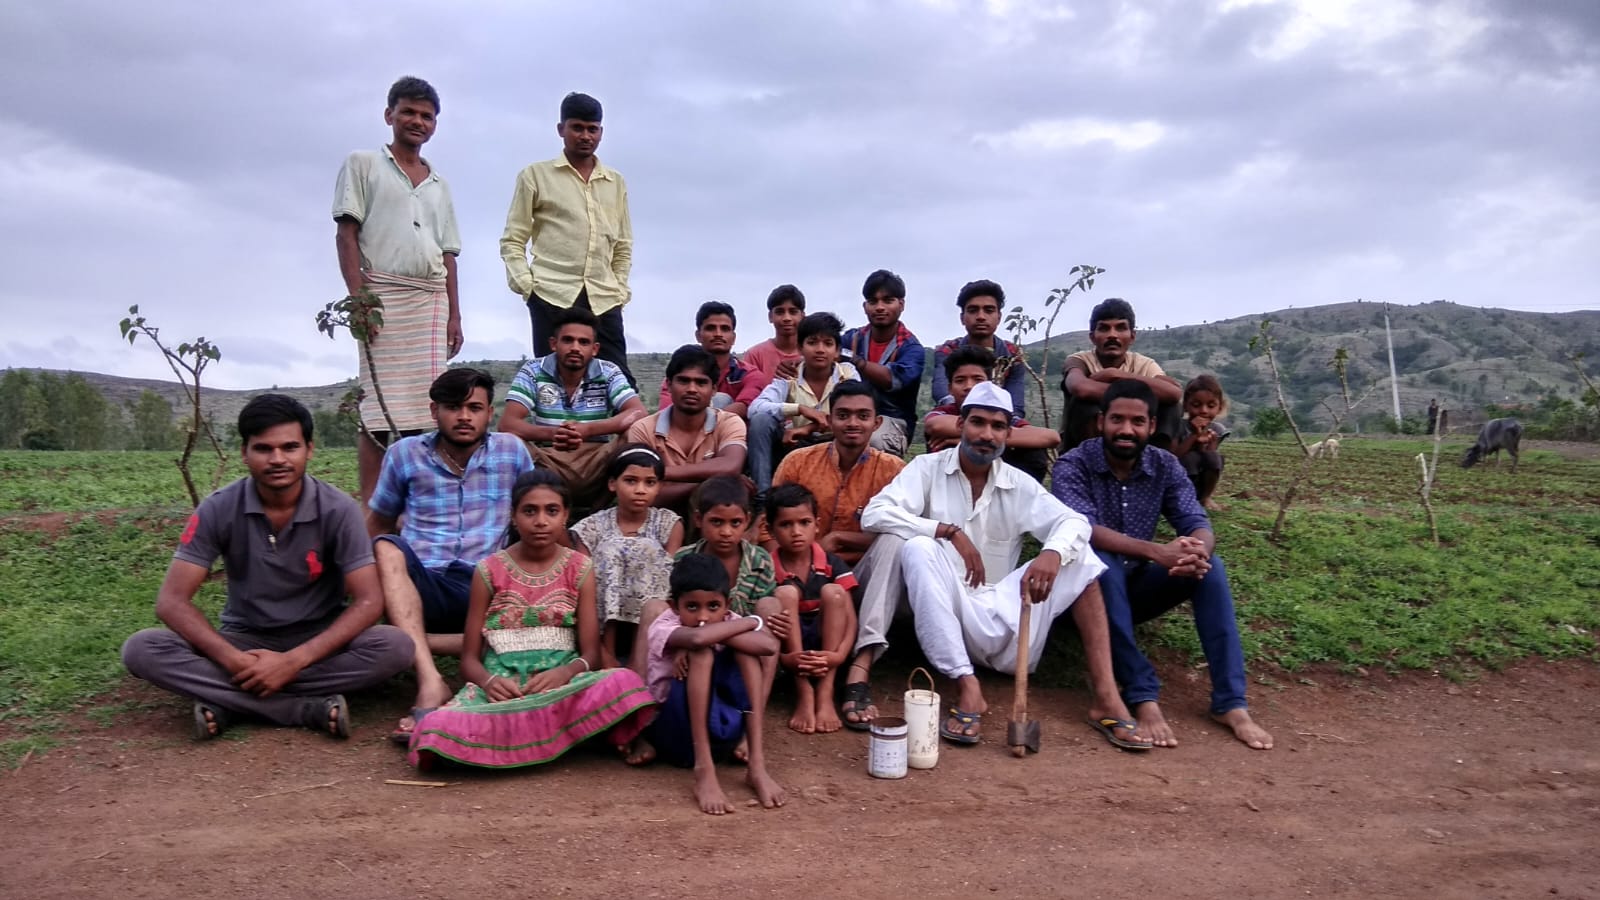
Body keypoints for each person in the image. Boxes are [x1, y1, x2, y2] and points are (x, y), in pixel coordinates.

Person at [860, 382, 1151, 750]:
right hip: (944, 610)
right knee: (918, 547)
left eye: (997, 427)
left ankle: (1106, 697)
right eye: (978, 423)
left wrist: (1052, 554)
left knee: (1082, 561)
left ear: (1008, 434)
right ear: (961, 425)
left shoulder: (1019, 484)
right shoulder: (927, 469)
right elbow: (875, 513)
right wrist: (946, 531)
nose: (986, 434)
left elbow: (1073, 522)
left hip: (1005, 617)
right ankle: (967, 686)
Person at [122, 394, 412, 740]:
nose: (277, 459)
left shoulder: (338, 510)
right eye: (263, 448)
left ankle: (228, 700)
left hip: (318, 640)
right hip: (244, 639)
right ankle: (302, 708)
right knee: (143, 649)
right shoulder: (218, 508)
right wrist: (233, 660)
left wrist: (293, 662)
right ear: (245, 452)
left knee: (396, 647)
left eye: (290, 447)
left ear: (309, 450)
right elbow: (171, 601)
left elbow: (368, 602)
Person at [1051, 380, 1273, 751]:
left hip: (1137, 587)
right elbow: (1081, 530)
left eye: (1137, 422)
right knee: (1097, 561)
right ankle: (1142, 696)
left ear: (1152, 426)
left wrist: (1196, 551)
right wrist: (1155, 551)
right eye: (1117, 420)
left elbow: (1195, 519)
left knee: (1211, 567)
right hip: (1083, 596)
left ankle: (1231, 703)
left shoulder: (1165, 465)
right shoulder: (1074, 465)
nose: (1126, 430)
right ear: (1100, 422)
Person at [406, 470, 657, 769]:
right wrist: (490, 682)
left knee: (624, 682)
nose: (540, 521)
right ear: (514, 516)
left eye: (551, 511)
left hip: (564, 686)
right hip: (506, 691)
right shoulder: (488, 571)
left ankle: (517, 738)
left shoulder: (580, 568)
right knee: (436, 728)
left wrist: (564, 674)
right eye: (529, 511)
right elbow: (469, 660)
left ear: (565, 516)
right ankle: (563, 733)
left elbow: (591, 653)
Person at [368, 368, 536, 743]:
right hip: (420, 581)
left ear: (489, 412)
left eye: (474, 407)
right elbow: (378, 521)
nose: (464, 417)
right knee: (385, 545)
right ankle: (431, 682)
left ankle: (403, 643)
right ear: (434, 411)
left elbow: (535, 511)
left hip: (485, 584)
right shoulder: (404, 454)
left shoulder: (512, 452)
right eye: (453, 407)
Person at [332, 76, 463, 502]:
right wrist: (359, 300)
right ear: (389, 115)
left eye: (426, 116)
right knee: (376, 404)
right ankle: (372, 503)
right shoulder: (363, 164)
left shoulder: (439, 183)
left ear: (435, 125)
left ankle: (419, 500)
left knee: (429, 404)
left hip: (430, 301)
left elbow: (448, 253)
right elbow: (346, 234)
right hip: (381, 297)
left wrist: (455, 315)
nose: (417, 121)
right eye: (408, 111)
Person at [767, 381, 905, 730]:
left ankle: (859, 669)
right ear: (829, 420)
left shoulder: (893, 471)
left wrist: (840, 539)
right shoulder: (798, 463)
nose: (852, 424)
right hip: (800, 579)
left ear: (877, 423)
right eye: (843, 415)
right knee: (803, 590)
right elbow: (768, 527)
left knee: (894, 542)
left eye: (863, 416)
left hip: (864, 581)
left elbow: (907, 531)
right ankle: (801, 680)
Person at [631, 553, 786, 815]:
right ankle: (704, 771)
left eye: (713, 607)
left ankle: (757, 766)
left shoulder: (728, 621)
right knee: (701, 652)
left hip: (723, 733)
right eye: (692, 607)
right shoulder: (664, 624)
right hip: (673, 734)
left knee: (747, 654)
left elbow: (768, 646)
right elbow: (699, 638)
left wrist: (738, 628)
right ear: (674, 606)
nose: (703, 616)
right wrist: (746, 625)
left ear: (727, 605)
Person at [499, 92, 635, 386]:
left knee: (618, 385)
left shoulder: (615, 182)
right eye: (577, 128)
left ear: (601, 132)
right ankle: (554, 434)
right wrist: (528, 288)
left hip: (603, 298)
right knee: (553, 385)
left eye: (592, 129)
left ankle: (606, 435)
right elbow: (513, 239)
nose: (585, 136)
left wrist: (620, 289)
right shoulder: (535, 175)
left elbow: (623, 245)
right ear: (561, 129)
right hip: (551, 295)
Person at [498, 307, 647, 509]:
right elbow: (508, 424)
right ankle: (527, 509)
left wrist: (587, 430)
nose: (575, 347)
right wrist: (555, 434)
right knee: (509, 442)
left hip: (598, 459)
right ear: (553, 344)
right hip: (550, 459)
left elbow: (638, 413)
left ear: (594, 349)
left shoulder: (609, 371)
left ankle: (600, 508)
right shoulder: (533, 370)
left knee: (636, 432)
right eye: (568, 340)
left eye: (583, 342)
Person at [571, 444, 684, 668]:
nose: (640, 490)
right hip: (599, 615)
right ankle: (607, 652)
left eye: (649, 482)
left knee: (649, 549)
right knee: (609, 550)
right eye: (631, 481)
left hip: (651, 615)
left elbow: (667, 574)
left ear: (659, 486)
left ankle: (638, 656)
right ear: (613, 484)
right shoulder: (591, 528)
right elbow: (582, 580)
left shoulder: (668, 523)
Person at [765, 485, 859, 735]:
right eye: (785, 525)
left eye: (804, 522)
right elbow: (766, 622)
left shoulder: (830, 563)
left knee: (834, 591)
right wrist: (786, 659)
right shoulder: (766, 566)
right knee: (784, 593)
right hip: (789, 650)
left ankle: (825, 693)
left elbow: (850, 619)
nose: (796, 532)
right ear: (770, 529)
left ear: (817, 525)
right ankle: (804, 692)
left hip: (828, 647)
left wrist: (838, 655)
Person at [748, 312, 862, 497]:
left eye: (828, 343)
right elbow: (755, 407)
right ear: (800, 347)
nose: (820, 349)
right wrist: (800, 409)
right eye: (812, 342)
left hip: (835, 443)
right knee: (761, 421)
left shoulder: (848, 374)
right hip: (795, 445)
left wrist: (807, 428)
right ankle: (763, 497)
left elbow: (854, 409)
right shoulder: (789, 377)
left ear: (837, 350)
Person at [626, 345, 749, 513]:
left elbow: (731, 465)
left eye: (701, 382)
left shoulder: (729, 422)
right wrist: (707, 485)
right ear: (668, 385)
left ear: (714, 389)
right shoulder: (643, 428)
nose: (692, 389)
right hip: (655, 520)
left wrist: (660, 472)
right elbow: (644, 496)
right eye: (684, 381)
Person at [1060, 297, 1182, 452]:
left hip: (1135, 444)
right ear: (1092, 337)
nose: (1112, 335)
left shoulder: (1144, 364)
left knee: (1171, 407)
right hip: (1083, 448)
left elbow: (1173, 393)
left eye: (1120, 328)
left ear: (1132, 336)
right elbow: (1080, 388)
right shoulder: (1079, 360)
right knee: (1084, 404)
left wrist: (1114, 375)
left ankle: (1159, 465)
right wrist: (1138, 391)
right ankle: (1094, 466)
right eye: (1104, 328)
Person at [924, 345, 1059, 481]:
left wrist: (974, 441)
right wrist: (998, 438)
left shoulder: (1000, 414)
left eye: (978, 379)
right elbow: (935, 426)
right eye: (960, 380)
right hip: (950, 483)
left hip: (1000, 479)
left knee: (1034, 451)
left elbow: (1051, 437)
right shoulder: (943, 412)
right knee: (944, 442)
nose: (969, 386)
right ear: (950, 389)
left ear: (989, 384)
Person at [841, 269, 925, 456]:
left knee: (873, 442)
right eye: (873, 301)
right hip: (850, 415)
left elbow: (893, 380)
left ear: (901, 304)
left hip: (892, 420)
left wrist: (858, 362)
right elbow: (826, 349)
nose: (879, 307)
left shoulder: (911, 349)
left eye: (888, 300)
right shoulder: (852, 339)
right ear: (865, 306)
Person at [655, 301, 771, 419]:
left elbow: (746, 406)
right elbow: (667, 413)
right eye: (711, 328)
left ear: (733, 338)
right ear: (698, 335)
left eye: (725, 329)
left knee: (723, 400)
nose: (718, 334)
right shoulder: (679, 376)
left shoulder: (749, 375)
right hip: (684, 434)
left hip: (733, 435)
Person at [929, 279, 1028, 417]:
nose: (981, 317)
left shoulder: (1013, 355)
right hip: (955, 418)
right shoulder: (948, 351)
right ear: (962, 318)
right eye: (973, 310)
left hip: (999, 423)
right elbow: (943, 392)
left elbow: (1015, 404)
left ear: (999, 317)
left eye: (989, 310)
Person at [1171, 374, 1230, 510]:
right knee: (1190, 458)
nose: (1203, 411)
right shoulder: (1179, 426)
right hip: (1181, 476)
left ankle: (1205, 498)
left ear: (1219, 407)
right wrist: (1193, 437)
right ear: (1185, 405)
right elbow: (1174, 457)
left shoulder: (1217, 429)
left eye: (1211, 406)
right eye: (1196, 405)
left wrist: (1208, 443)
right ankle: (1183, 498)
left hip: (1202, 480)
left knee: (1215, 457)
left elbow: (1210, 458)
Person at [741, 284, 805, 382]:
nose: (787, 318)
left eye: (793, 312)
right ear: (770, 316)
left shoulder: (812, 354)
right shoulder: (755, 355)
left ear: (802, 316)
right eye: (780, 312)